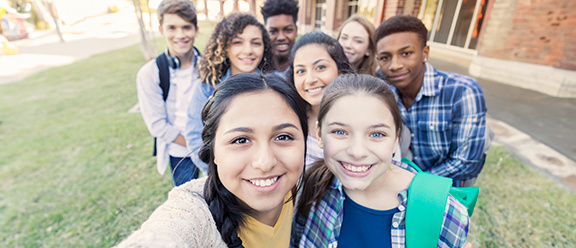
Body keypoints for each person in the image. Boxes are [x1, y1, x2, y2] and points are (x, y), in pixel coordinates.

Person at [116, 73, 308, 248]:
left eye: (283, 137)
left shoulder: (310, 189)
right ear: (214, 151)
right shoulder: (194, 215)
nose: (265, 163)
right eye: (240, 140)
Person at [291, 74, 470, 247]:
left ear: (395, 140)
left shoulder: (443, 213)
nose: (357, 152)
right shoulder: (314, 184)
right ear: (319, 135)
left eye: (377, 134)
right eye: (340, 132)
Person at [374, 15, 487, 187]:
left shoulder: (462, 91)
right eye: (385, 57)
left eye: (406, 53)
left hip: (443, 191)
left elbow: (466, 163)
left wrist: (412, 183)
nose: (395, 65)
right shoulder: (383, 89)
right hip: (396, 186)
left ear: (425, 53)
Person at [185, 13, 274, 175]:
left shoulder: (275, 85)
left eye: (256, 43)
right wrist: (218, 174)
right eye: (238, 42)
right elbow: (193, 135)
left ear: (264, 47)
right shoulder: (207, 86)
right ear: (225, 46)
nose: (248, 50)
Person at [136, 0, 201, 186]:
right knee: (189, 204)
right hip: (181, 153)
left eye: (186, 27)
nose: (180, 35)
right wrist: (197, 146)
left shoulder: (208, 65)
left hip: (212, 148)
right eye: (172, 28)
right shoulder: (149, 74)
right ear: (161, 30)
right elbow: (158, 125)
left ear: (196, 30)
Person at [287, 32, 354, 168]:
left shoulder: (363, 116)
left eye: (320, 67)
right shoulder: (289, 118)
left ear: (341, 71)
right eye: (300, 71)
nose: (310, 79)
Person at [261, 0, 299, 75]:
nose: (281, 37)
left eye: (288, 30)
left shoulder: (304, 68)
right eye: (273, 31)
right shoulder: (255, 67)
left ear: (296, 31)